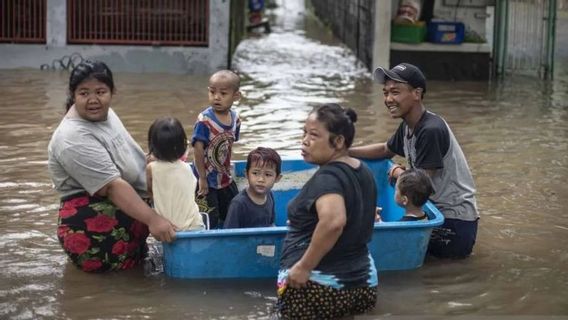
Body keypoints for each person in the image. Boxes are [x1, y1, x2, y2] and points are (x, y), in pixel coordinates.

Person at [47, 60, 176, 273]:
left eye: (100, 91)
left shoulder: (105, 113)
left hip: (129, 215)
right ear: (73, 94)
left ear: (112, 91)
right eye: (84, 93)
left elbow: (126, 156)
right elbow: (112, 186)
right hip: (96, 232)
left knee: (138, 276)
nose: (93, 100)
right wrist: (154, 219)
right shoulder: (71, 137)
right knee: (119, 289)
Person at [349, 62, 480, 259]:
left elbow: (420, 184)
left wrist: (398, 173)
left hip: (453, 221)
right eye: (385, 93)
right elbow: (386, 150)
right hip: (433, 212)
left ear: (416, 94)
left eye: (395, 92)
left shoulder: (430, 130)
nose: (388, 99)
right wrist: (346, 152)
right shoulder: (409, 125)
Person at [276, 103, 378, 320]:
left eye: (314, 135)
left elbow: (334, 222)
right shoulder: (363, 170)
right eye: (304, 133)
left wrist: (304, 266)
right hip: (363, 282)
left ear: (339, 141)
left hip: (319, 286)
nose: (304, 141)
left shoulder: (327, 178)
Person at [191, 70, 241, 229]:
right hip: (206, 180)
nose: (217, 97)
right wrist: (202, 178)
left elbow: (229, 145)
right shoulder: (204, 121)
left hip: (225, 178)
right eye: (212, 92)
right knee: (208, 219)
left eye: (223, 93)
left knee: (234, 211)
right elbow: (198, 150)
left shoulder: (235, 119)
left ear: (236, 96)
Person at [146, 117, 204, 231]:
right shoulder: (186, 168)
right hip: (195, 225)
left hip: (169, 229)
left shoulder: (151, 168)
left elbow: (149, 191)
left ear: (152, 146)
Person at [223, 147, 282, 229]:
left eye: (268, 175)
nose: (261, 179)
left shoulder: (269, 195)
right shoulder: (238, 204)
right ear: (246, 174)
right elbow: (228, 235)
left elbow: (271, 224)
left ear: (277, 178)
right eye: (255, 173)